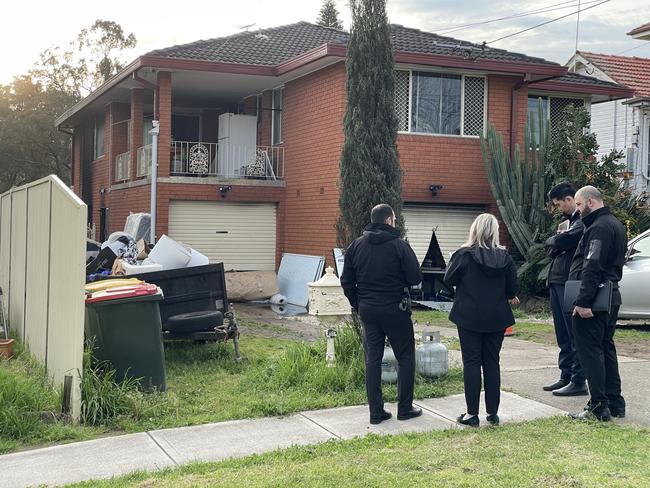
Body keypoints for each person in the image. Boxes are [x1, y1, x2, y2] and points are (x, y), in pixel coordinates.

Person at [340, 203, 423, 425]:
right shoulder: (399, 246)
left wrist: (358, 303)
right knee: (405, 357)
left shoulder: (356, 246)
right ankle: (404, 408)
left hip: (368, 309)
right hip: (395, 309)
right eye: (394, 220)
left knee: (372, 359)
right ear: (389, 221)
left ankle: (376, 412)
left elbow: (346, 281)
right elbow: (415, 277)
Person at [444, 213, 519, 427]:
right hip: (496, 316)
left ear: (474, 230)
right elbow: (512, 289)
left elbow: (448, 279)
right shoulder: (505, 257)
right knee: (492, 363)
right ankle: (493, 413)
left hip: (468, 315)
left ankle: (471, 414)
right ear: (494, 232)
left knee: (472, 363)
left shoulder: (463, 255)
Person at [568, 186, 627, 421]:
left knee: (590, 352)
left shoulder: (599, 228)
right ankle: (615, 403)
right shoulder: (615, 224)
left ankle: (598, 405)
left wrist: (583, 302)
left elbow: (592, 266)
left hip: (595, 300)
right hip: (610, 296)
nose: (578, 210)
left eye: (580, 205)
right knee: (606, 349)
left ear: (590, 202)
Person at [543, 182, 587, 396]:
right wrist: (556, 241)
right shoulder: (567, 223)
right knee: (562, 333)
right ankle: (566, 375)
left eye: (559, 204)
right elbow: (553, 247)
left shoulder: (581, 223)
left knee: (573, 332)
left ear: (570, 200)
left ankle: (578, 379)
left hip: (569, 281)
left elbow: (566, 240)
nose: (558, 208)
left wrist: (555, 240)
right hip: (557, 280)